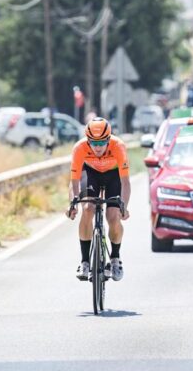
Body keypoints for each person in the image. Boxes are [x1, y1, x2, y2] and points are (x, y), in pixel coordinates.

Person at [66, 118, 131, 282]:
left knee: (113, 216)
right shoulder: (79, 148)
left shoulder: (118, 146)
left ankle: (115, 259)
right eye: (93, 143)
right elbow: (74, 181)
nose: (98, 147)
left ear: (109, 139)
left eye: (102, 142)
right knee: (87, 209)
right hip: (91, 174)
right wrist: (73, 203)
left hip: (113, 176)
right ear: (87, 140)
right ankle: (85, 262)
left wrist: (124, 206)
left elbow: (125, 182)